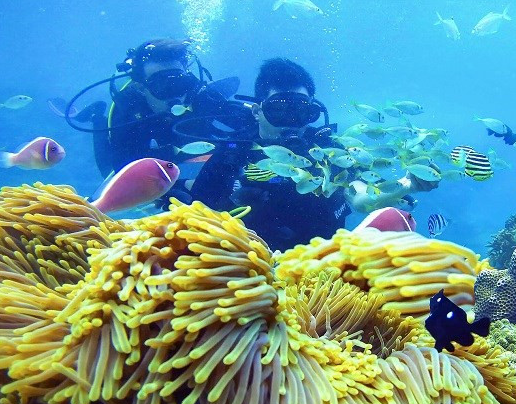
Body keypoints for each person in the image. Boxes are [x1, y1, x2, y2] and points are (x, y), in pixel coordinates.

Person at [189, 58, 351, 251]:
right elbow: (196, 211)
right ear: (257, 111)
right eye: (278, 110)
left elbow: (359, 187)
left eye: (301, 111)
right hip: (246, 265)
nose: (291, 122)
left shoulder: (328, 151)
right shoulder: (232, 154)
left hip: (323, 263)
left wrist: (368, 198)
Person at [71, 38, 240, 180]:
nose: (175, 95)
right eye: (162, 86)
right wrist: (178, 186)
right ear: (141, 87)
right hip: (147, 140)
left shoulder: (198, 94)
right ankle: (96, 115)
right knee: (106, 170)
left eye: (180, 83)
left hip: (183, 145)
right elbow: (122, 169)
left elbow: (246, 123)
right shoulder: (128, 108)